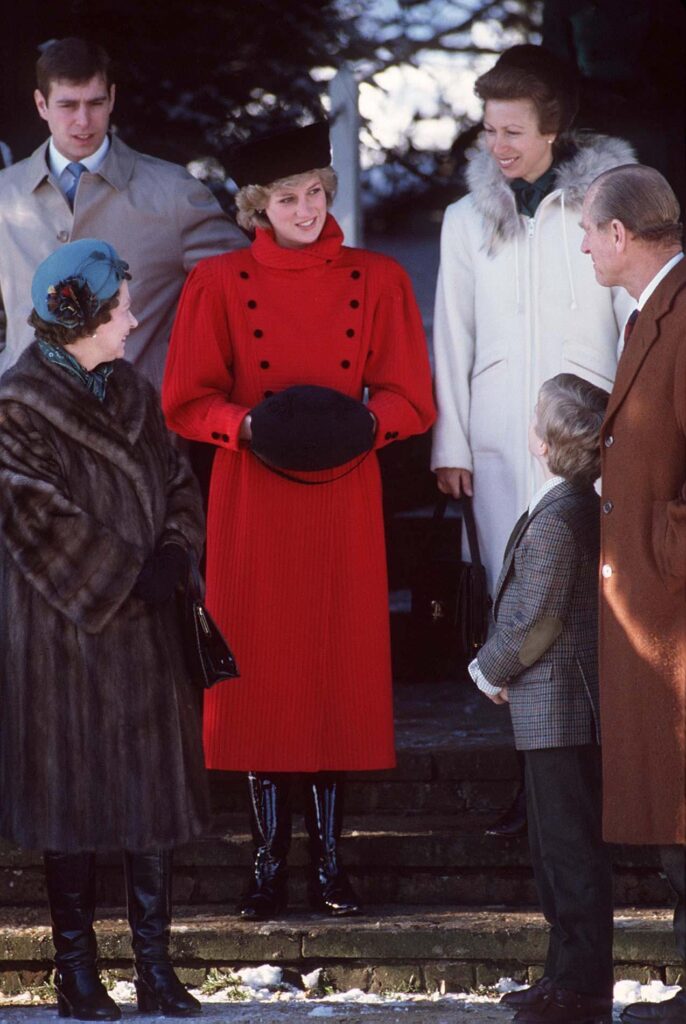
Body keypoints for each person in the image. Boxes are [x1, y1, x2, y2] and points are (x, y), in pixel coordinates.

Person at [162, 121, 436, 920]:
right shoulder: (216, 281)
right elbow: (185, 398)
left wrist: (363, 426)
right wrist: (245, 427)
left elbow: (410, 394)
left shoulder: (377, 276)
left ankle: (330, 868)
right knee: (263, 680)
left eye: (317, 192)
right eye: (290, 197)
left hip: (343, 493)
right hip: (254, 497)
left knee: (331, 675)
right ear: (257, 206)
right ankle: (265, 865)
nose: (308, 208)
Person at [0, 239, 208, 1020]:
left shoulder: (133, 390)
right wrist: (129, 573)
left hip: (148, 633)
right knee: (73, 804)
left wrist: (177, 549)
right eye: (119, 307)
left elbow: (179, 477)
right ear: (79, 317)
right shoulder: (16, 406)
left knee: (151, 801)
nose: (132, 319)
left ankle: (155, 968)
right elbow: (33, 515)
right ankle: (75, 972)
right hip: (67, 641)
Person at [431, 43, 635, 595]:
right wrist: (451, 444)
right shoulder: (464, 220)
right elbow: (453, 334)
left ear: (551, 129)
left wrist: (634, 427)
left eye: (513, 132)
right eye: (489, 131)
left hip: (588, 426)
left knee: (590, 585)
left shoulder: (608, 207)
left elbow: (633, 319)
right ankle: (501, 686)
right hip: (496, 430)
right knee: (506, 586)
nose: (497, 147)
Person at [470, 373, 613, 1024]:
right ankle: (563, 975)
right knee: (553, 852)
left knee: (568, 851)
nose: (529, 425)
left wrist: (488, 670)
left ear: (550, 441)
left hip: (558, 706)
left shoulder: (562, 517)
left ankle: (580, 986)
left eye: (536, 418)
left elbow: (537, 617)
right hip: (551, 708)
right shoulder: (569, 504)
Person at [580, 164, 686, 1024]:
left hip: (674, 607)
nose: (582, 244)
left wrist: (662, 549)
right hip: (658, 604)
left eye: (589, 230)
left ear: (621, 235)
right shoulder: (656, 311)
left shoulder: (681, 314)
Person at [0, 37, 246, 389]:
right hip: (25, 431)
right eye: (67, 105)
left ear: (112, 98)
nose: (83, 121)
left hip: (141, 429)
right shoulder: (4, 194)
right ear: (41, 104)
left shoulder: (173, 192)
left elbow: (247, 291)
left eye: (95, 103)